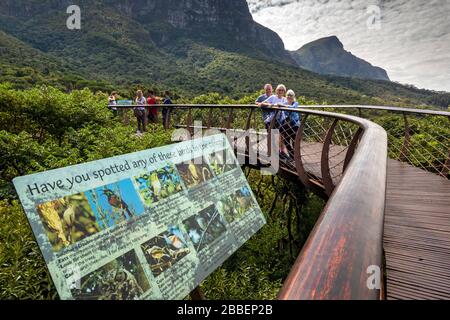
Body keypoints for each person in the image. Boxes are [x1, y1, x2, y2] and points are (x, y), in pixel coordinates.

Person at [258, 84, 289, 158]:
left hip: (282, 120)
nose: (280, 91)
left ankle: (281, 152)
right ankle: (274, 153)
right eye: (279, 90)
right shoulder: (273, 97)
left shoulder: (285, 99)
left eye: (282, 90)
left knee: (282, 137)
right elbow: (261, 104)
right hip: (272, 120)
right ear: (276, 91)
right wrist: (271, 105)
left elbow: (289, 106)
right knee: (273, 137)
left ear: (284, 91)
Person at [283, 89, 301, 157]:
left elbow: (293, 108)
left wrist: (283, 106)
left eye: (291, 95)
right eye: (288, 95)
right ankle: (291, 155)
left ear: (293, 96)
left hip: (295, 124)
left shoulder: (295, 103)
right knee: (286, 140)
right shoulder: (284, 103)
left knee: (294, 141)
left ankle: (296, 156)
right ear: (286, 96)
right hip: (287, 124)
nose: (289, 96)